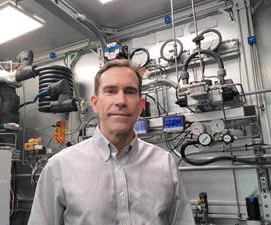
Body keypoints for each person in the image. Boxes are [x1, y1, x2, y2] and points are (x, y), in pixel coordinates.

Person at [28, 59, 195, 225]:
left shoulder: (165, 164)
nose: (121, 101)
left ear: (140, 105)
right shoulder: (59, 167)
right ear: (95, 103)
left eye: (129, 91)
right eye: (110, 91)